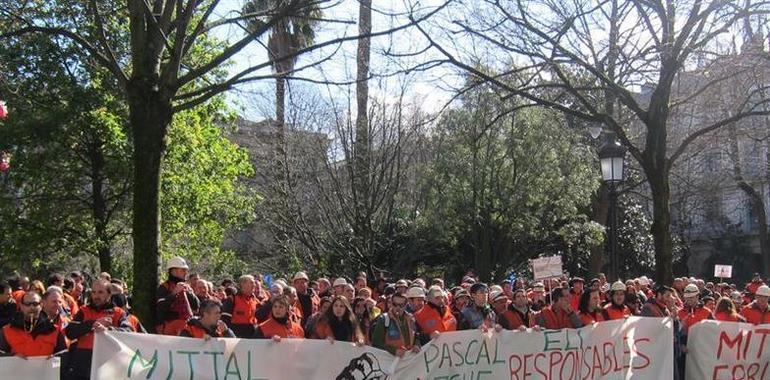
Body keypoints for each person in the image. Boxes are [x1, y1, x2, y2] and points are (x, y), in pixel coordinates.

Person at [65, 279, 132, 380]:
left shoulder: (119, 313)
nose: (96, 296)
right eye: (94, 292)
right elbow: (70, 332)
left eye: (100, 292)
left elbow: (129, 332)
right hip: (83, 367)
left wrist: (108, 329)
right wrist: (92, 324)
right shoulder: (83, 311)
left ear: (109, 295)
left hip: (109, 365)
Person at [0, 291, 67, 357]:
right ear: (21, 306)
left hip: (46, 367)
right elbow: (1, 355)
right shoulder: (7, 330)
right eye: (27, 304)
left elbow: (64, 355)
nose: (31, 307)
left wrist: (55, 357)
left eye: (35, 304)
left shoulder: (54, 330)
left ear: (41, 305)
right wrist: (12, 356)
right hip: (16, 367)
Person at [156, 256, 199, 335]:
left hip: (186, 325)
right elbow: (160, 308)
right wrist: (173, 294)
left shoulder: (186, 287)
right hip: (169, 327)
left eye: (186, 270)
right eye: (183, 270)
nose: (186, 273)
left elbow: (197, 306)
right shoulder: (164, 287)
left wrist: (191, 294)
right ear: (173, 271)